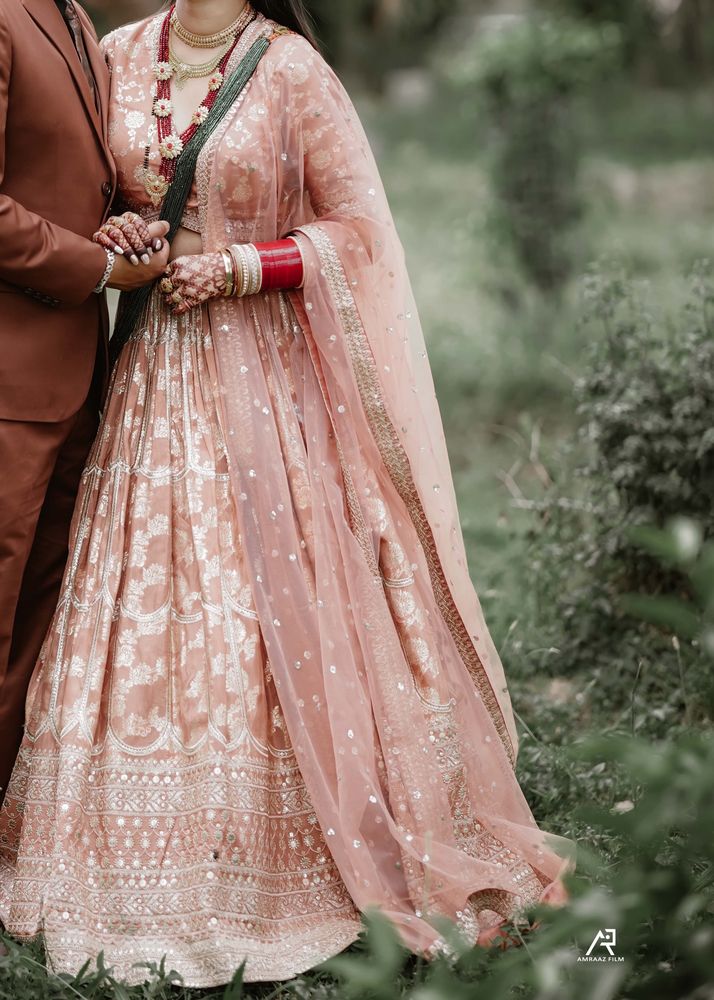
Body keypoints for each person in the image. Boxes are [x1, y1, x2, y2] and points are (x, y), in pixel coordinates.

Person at [0, 0, 575, 987]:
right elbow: (85, 185)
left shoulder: (295, 70)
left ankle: (289, 856)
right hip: (140, 384)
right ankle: (122, 857)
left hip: (264, 391)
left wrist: (241, 267)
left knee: (263, 606)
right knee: (141, 603)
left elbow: (358, 235)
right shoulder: (118, 52)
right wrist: (126, 233)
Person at [0, 0, 172, 802]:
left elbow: (68, 183)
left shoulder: (78, 22)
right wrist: (96, 270)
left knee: (38, 610)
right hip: (8, 376)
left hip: (75, 370)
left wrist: (122, 231)